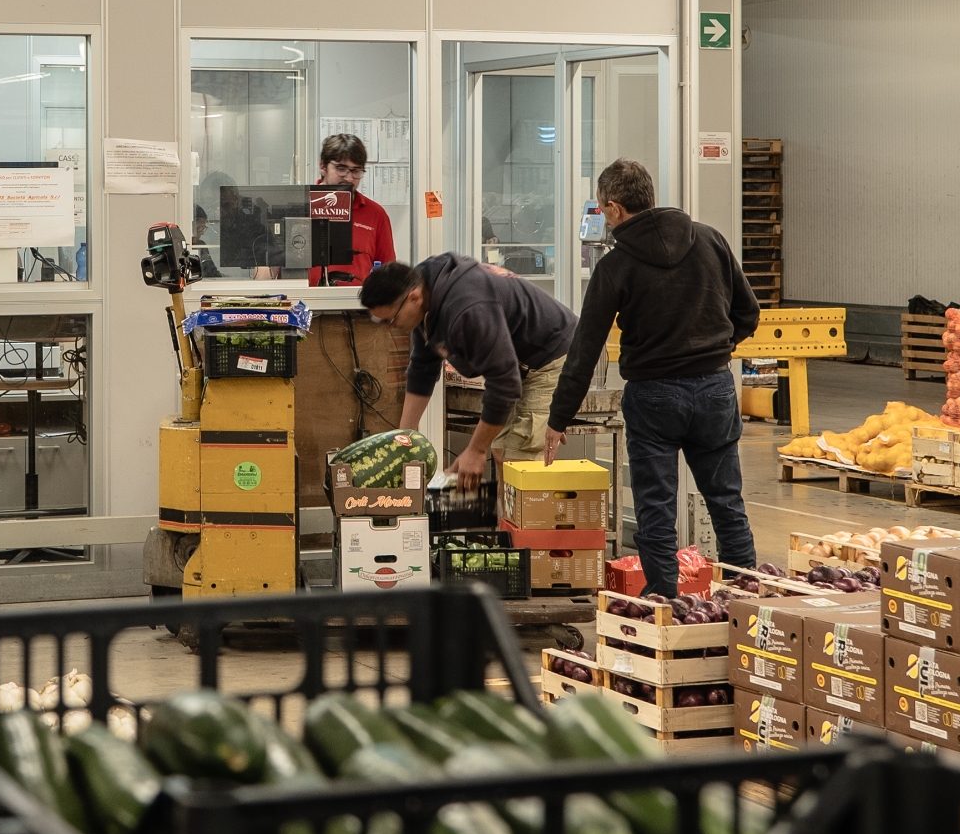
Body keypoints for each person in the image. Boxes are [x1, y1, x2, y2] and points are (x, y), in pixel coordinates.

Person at [543, 158, 762, 598]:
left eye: (604, 209)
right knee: (726, 501)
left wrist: (558, 418)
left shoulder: (615, 266)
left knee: (656, 509)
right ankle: (747, 600)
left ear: (614, 208)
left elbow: (585, 350)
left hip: (654, 396)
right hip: (715, 389)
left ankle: (663, 603)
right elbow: (749, 313)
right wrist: (715, 349)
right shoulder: (710, 239)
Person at [360, 254, 577, 491]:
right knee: (502, 451)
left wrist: (475, 450)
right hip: (517, 361)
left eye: (390, 320)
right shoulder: (424, 290)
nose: (388, 328)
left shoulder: (467, 308)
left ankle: (533, 515)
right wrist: (402, 441)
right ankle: (508, 515)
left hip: (553, 352)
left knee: (519, 456)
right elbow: (422, 370)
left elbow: (505, 384)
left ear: (414, 298)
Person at [309, 133, 395, 286]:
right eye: (341, 168)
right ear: (322, 167)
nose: (349, 178)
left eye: (356, 171)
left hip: (358, 300)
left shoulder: (376, 214)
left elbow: (388, 271)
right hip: (303, 300)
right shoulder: (300, 205)